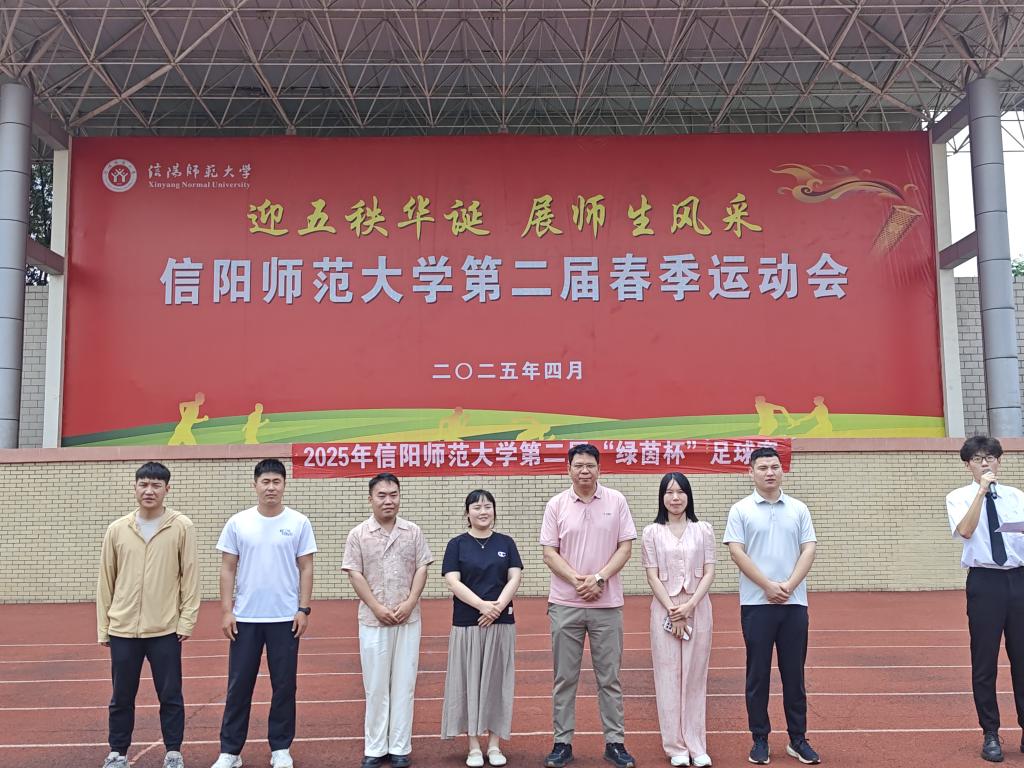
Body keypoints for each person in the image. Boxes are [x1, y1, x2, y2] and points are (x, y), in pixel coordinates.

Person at [210, 459, 317, 768]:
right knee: (239, 686)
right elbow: (227, 568)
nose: (271, 487)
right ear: (255, 485)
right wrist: (227, 611)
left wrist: (303, 608)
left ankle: (281, 748)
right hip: (245, 619)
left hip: (285, 619)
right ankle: (230, 751)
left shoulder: (298, 522)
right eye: (265, 481)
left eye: (276, 481)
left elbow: (306, 567)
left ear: (284, 485)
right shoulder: (238, 522)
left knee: (284, 686)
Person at [540, 443, 638, 768]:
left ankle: (615, 743)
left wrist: (599, 578)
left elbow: (625, 547)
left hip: (606, 604)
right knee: (564, 678)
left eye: (590, 465)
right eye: (578, 465)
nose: (585, 471)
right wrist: (577, 581)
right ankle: (562, 743)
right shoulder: (556, 504)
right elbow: (549, 552)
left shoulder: (616, 501)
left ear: (599, 468)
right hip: (565, 604)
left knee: (609, 678)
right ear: (568, 469)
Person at [97, 461, 199, 768]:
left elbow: (190, 576)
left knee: (170, 695)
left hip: (165, 629)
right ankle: (117, 752)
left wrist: (186, 620)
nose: (149, 491)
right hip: (123, 628)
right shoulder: (117, 529)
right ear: (135, 488)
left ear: (167, 489)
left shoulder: (181, 526)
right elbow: (106, 580)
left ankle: (173, 752)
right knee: (121, 697)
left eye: (156, 485)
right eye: (143, 484)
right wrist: (104, 626)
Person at [723, 447, 819, 765]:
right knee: (758, 675)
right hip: (757, 604)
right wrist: (766, 585)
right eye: (762, 468)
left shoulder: (798, 509)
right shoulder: (741, 510)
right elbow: (737, 552)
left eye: (774, 467)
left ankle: (798, 739)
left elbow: (808, 549)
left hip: (794, 603)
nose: (769, 473)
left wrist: (789, 585)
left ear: (782, 470)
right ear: (750, 472)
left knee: (794, 675)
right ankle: (760, 739)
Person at [343, 473, 433, 768]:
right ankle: (375, 747)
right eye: (381, 495)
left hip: (408, 619)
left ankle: (399, 747)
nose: (388, 500)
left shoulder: (413, 531)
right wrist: (376, 607)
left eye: (393, 494)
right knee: (376, 685)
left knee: (405, 684)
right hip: (373, 620)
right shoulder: (358, 534)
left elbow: (422, 568)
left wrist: (410, 602)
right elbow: (354, 573)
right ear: (370, 499)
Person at [946, 436, 1024, 762]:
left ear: (999, 461)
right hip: (985, 582)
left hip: (1018, 579)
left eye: (990, 457)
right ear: (968, 465)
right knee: (984, 661)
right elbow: (965, 531)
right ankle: (990, 732)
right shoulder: (958, 497)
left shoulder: (1017, 497)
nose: (985, 463)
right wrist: (981, 492)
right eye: (978, 459)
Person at [441, 489, 524, 767]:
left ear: (494, 511)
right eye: (476, 507)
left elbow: (514, 577)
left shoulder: (506, 542)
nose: (483, 511)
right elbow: (453, 581)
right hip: (468, 622)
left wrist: (497, 608)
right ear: (467, 513)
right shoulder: (457, 544)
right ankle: (474, 746)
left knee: (497, 683)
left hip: (501, 622)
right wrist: (482, 606)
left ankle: (495, 744)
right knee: (469, 683)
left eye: (487, 506)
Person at [642, 472, 716, 767]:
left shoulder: (703, 530)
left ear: (689, 496)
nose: (675, 498)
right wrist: (674, 609)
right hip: (665, 608)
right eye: (669, 492)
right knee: (668, 676)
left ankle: (696, 744)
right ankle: (675, 747)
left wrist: (690, 606)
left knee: (695, 676)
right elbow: (652, 574)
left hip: (698, 607)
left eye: (681, 491)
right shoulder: (652, 532)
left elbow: (709, 571)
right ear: (662, 497)